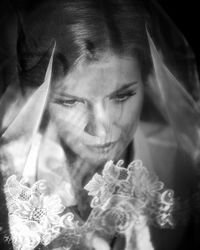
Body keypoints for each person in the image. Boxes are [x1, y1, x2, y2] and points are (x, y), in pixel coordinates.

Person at [0, 0, 200, 249]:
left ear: (147, 81)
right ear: (38, 96)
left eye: (122, 96)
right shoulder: (10, 173)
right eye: (71, 102)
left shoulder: (181, 163)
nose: (102, 129)